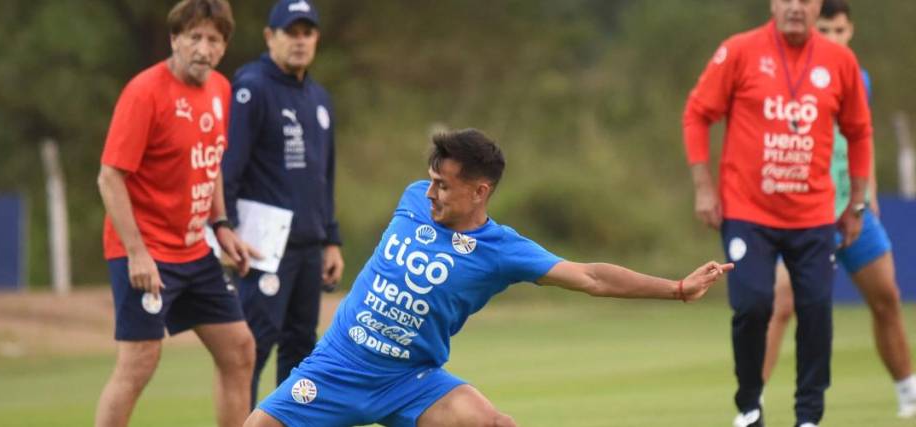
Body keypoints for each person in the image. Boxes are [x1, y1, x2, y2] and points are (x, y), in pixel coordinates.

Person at [243, 128, 733, 427]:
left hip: (411, 381)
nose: (431, 192)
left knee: (496, 424)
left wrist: (677, 289)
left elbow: (591, 277)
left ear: (480, 191)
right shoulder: (414, 197)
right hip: (340, 366)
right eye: (431, 180)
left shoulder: (502, 250)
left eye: (444, 185)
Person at [682, 0, 874, 425]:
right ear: (773, 3)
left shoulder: (840, 61)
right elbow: (697, 113)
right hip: (748, 211)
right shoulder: (739, 50)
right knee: (752, 305)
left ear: (817, 6)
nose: (795, 7)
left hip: (814, 215)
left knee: (817, 311)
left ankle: (809, 417)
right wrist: (703, 187)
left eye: (805, 0)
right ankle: (750, 404)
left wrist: (856, 203)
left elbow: (860, 133)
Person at [94, 1, 257, 426]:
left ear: (224, 46)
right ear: (175, 40)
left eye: (214, 39)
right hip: (145, 250)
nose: (204, 48)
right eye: (195, 37)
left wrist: (221, 226)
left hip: (193, 251)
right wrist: (137, 252)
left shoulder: (221, 90)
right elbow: (109, 178)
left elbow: (211, 162)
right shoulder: (145, 93)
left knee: (239, 349)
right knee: (139, 362)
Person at [762, 0, 916, 419]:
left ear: (851, 32)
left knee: (886, 297)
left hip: (853, 210)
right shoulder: (788, 77)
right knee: (781, 303)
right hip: (803, 212)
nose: (832, 38)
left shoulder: (857, 78)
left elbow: (859, 138)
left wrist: (868, 196)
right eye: (824, 30)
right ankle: (751, 400)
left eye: (839, 31)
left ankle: (908, 391)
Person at [221, 0, 343, 405]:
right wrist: (226, 232)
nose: (300, 41)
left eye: (307, 32)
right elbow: (229, 169)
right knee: (251, 350)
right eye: (291, 32)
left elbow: (323, 178)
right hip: (263, 248)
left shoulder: (320, 98)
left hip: (310, 247)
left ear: (316, 39)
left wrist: (331, 239)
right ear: (270, 37)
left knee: (302, 354)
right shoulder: (251, 87)